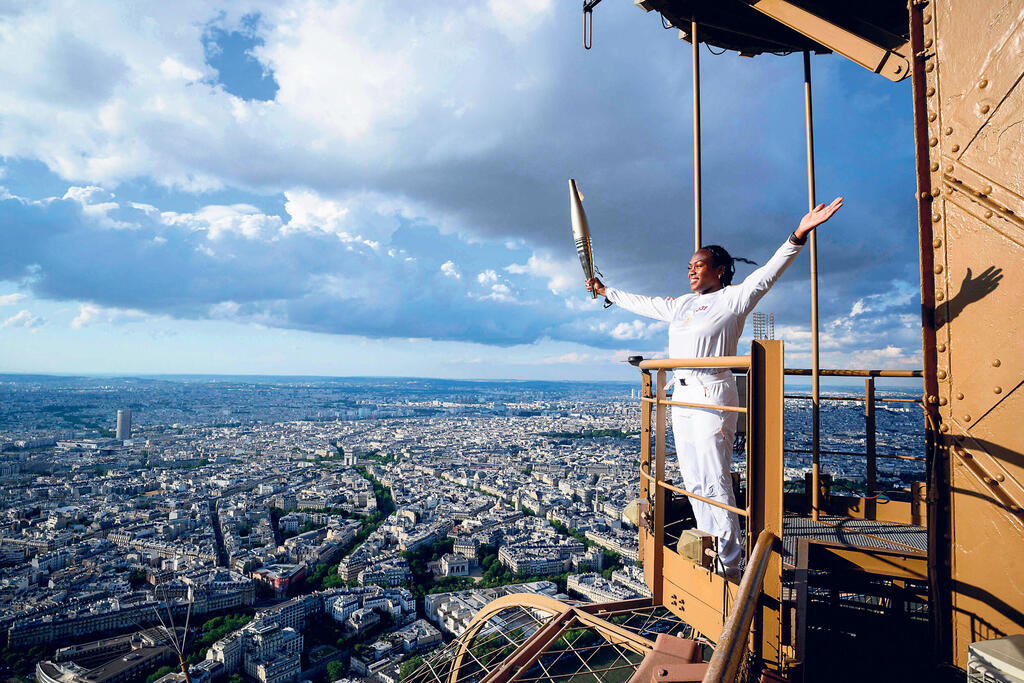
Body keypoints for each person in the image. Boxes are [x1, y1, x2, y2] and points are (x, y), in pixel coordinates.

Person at [586, 197, 843, 575]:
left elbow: (768, 274)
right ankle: (709, 544)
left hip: (711, 393)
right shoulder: (683, 305)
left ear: (720, 270)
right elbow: (646, 303)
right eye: (689, 265)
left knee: (715, 476)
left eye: (699, 265)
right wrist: (608, 292)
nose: (691, 270)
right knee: (693, 476)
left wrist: (798, 234)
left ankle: (730, 561)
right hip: (683, 394)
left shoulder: (733, 299)